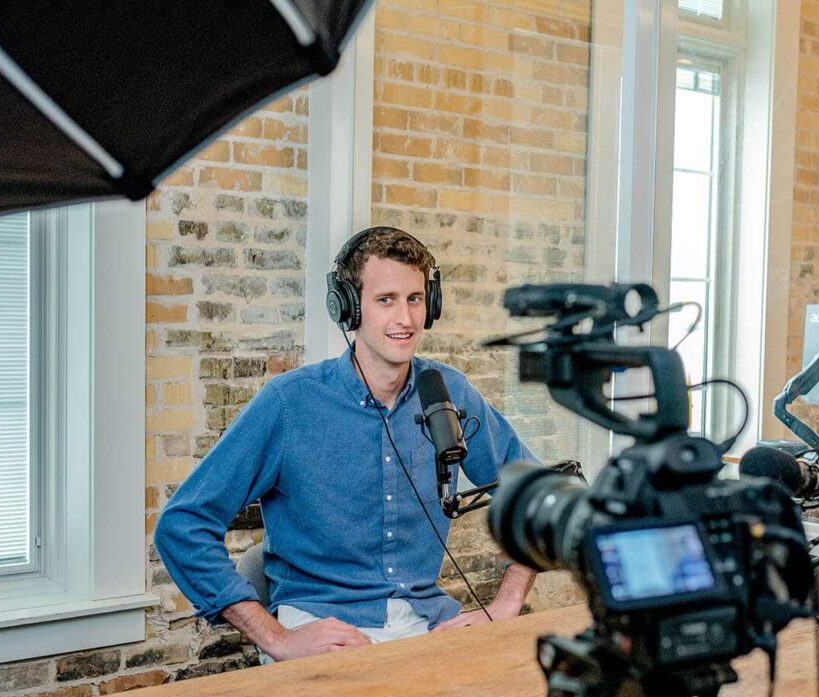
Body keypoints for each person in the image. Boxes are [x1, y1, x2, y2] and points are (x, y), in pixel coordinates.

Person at [154, 227, 538, 662]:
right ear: (349, 307)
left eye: (414, 299)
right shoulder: (289, 402)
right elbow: (182, 525)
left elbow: (536, 498)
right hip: (321, 628)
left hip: (426, 622)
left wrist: (506, 604)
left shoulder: (448, 393)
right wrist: (277, 638)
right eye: (385, 300)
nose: (405, 319)